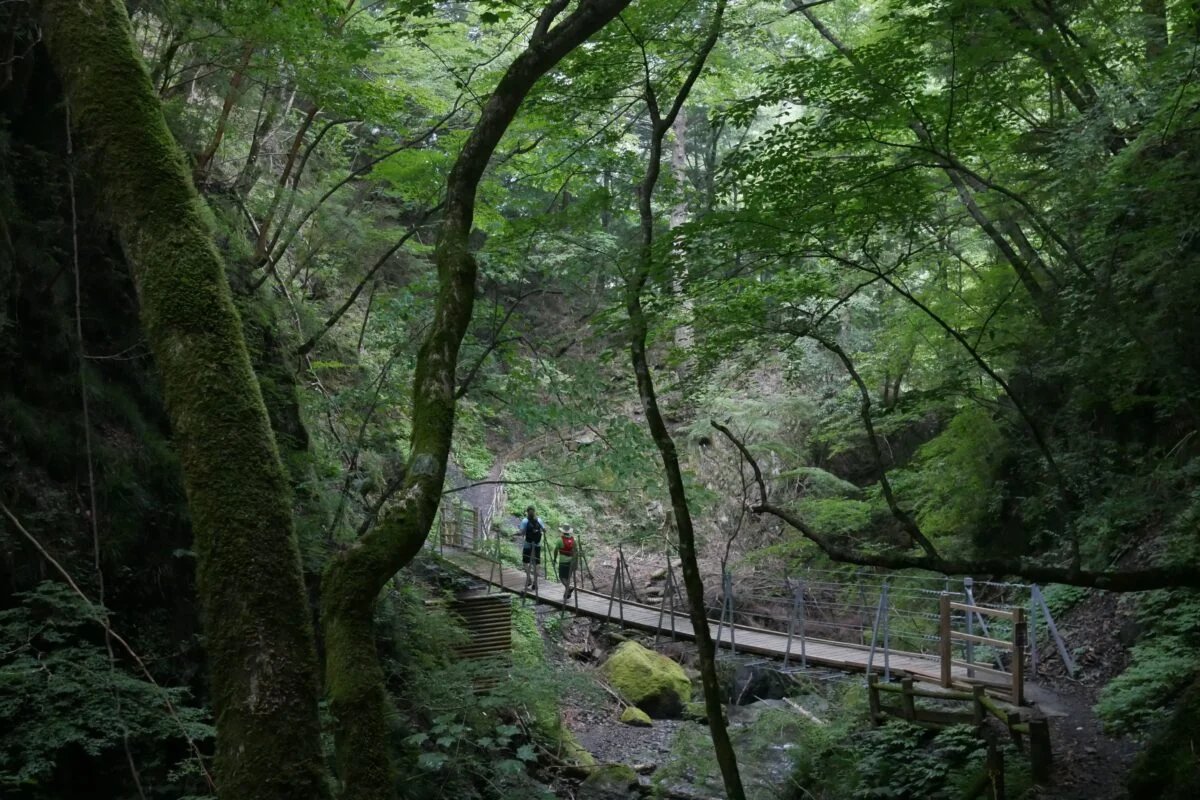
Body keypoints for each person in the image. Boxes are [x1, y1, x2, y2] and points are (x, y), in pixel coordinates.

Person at [519, 506, 545, 589]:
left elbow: (522, 533)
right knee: (537, 563)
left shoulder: (525, 521)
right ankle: (535, 582)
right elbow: (544, 530)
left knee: (525, 562)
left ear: (527, 512)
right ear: (534, 511)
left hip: (528, 544)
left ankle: (529, 579)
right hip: (537, 544)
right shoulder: (539, 520)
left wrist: (515, 533)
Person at [553, 525, 577, 601]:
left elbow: (556, 550)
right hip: (572, 561)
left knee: (561, 577)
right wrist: (576, 562)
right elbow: (576, 552)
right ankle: (567, 593)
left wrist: (554, 559)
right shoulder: (573, 540)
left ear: (562, 531)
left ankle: (568, 588)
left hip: (563, 561)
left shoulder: (560, 540)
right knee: (568, 577)